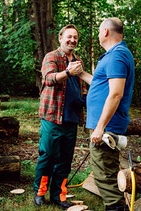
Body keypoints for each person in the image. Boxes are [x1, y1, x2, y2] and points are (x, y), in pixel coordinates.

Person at [79, 17, 135, 211]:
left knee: (105, 176)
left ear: (105, 32)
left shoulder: (117, 56)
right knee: (107, 172)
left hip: (107, 127)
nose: (98, 34)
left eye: (98, 31)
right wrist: (81, 73)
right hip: (106, 125)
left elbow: (116, 93)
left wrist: (100, 127)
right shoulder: (115, 55)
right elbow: (102, 83)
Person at [33, 24, 87, 210]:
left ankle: (59, 195)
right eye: (69, 37)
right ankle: (40, 193)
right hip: (52, 116)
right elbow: (48, 78)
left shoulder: (79, 61)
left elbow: (83, 87)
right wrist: (67, 72)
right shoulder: (52, 57)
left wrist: (85, 98)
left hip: (71, 118)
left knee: (65, 158)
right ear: (61, 38)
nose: (72, 40)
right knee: (47, 155)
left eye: (75, 37)